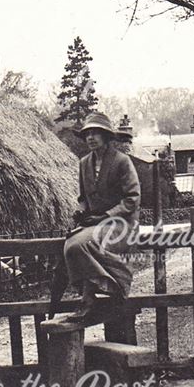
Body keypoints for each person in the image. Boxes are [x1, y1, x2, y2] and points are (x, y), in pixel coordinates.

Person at [62, 113, 141, 323]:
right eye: (87, 134)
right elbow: (82, 198)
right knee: (71, 244)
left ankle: (97, 296)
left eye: (96, 133)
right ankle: (90, 295)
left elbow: (132, 199)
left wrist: (105, 216)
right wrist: (81, 211)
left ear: (106, 136)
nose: (90, 138)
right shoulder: (84, 163)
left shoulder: (122, 162)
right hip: (95, 223)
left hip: (121, 224)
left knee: (82, 244)